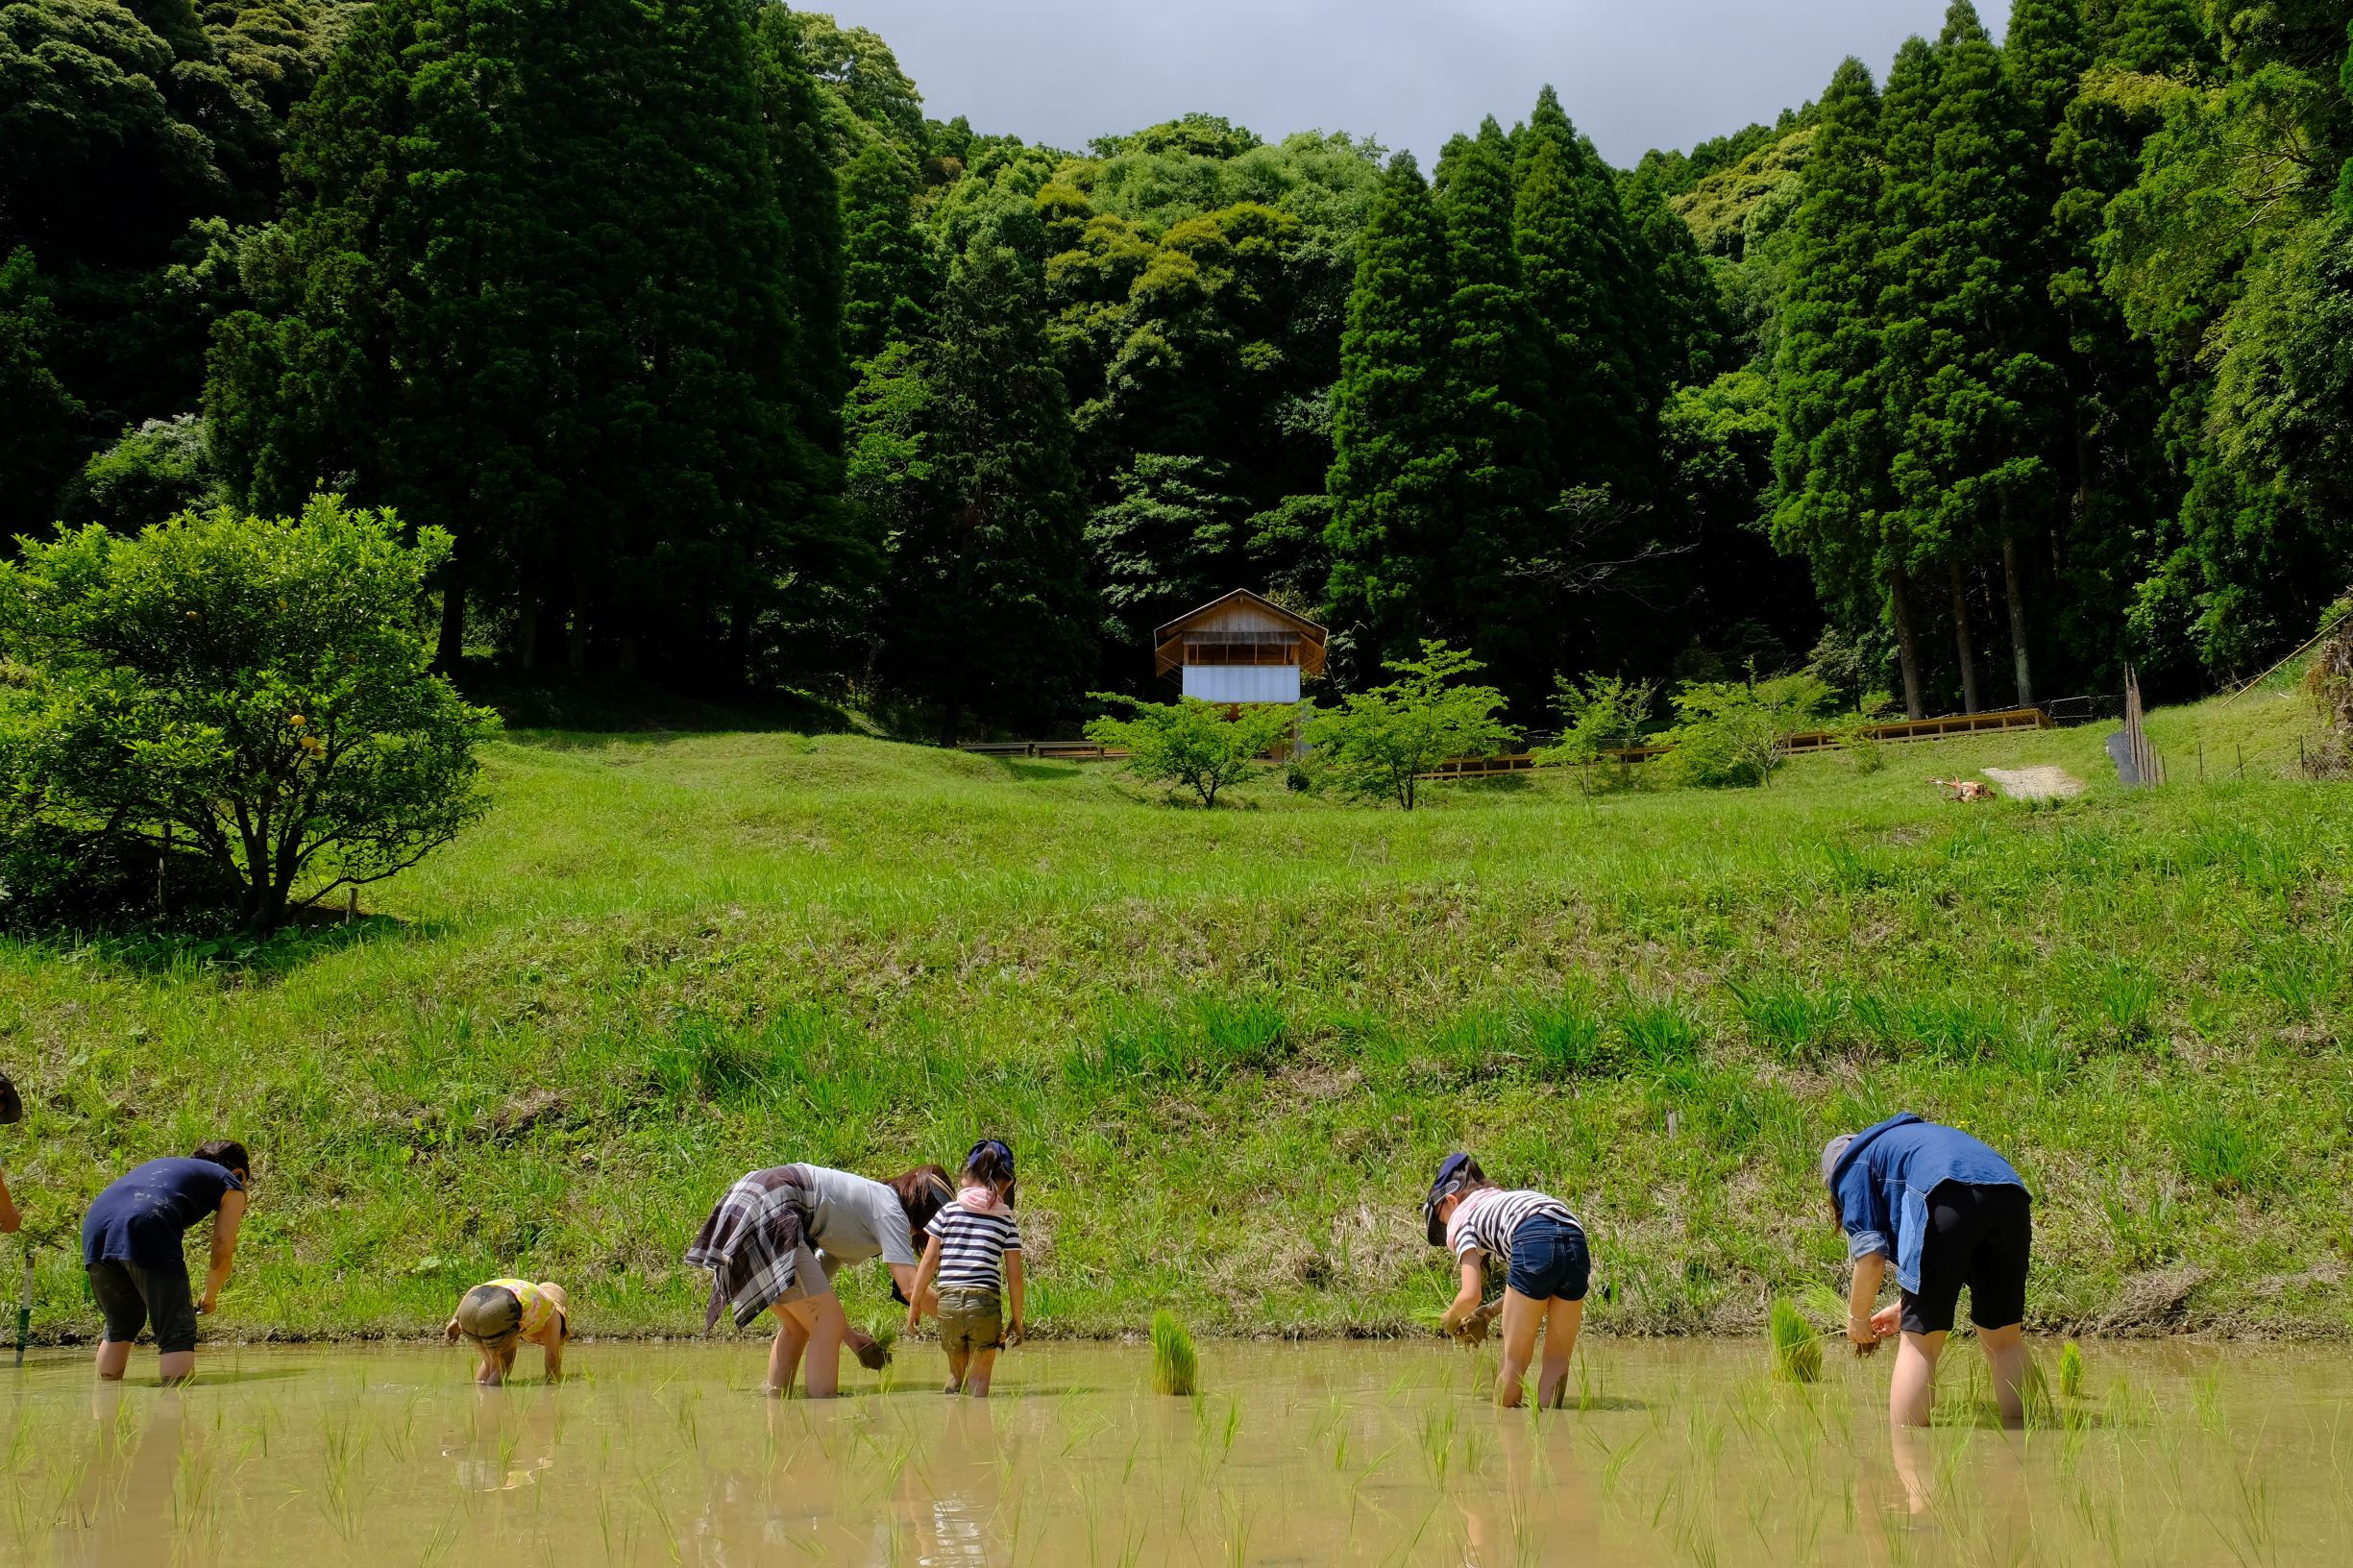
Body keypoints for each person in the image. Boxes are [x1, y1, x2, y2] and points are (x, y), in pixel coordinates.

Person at [1823, 1112, 2034, 1430]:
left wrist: (1858, 1321)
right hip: (2009, 1196)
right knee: (2004, 1338)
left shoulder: (1854, 1166)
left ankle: (1909, 1459)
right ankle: (2026, 1443)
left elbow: (1871, 1259)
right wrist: (1904, 1307)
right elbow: (1963, 1240)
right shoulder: (1906, 1141)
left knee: (1920, 1343)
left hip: (1942, 1193)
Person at [685, 1162, 950, 1398]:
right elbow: (910, 1288)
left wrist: (851, 1338)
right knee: (828, 1323)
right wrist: (960, 1317)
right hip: (771, 1202)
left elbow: (812, 1290)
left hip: (756, 1196)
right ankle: (822, 1408)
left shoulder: (863, 1212)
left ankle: (776, 1404)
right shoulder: (890, 1210)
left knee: (800, 1324)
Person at [1422, 1154, 1589, 1409]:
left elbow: (1470, 1294)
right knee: (1558, 1359)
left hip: (1532, 1237)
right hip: (1575, 1240)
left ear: (1451, 1200)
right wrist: (1488, 1312)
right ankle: (1551, 1437)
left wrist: (1449, 1320)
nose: (1445, 1227)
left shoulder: (1463, 1218)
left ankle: (1506, 1428)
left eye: (1441, 1219)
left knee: (1515, 1360)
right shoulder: (1505, 1201)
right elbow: (1535, 1284)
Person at [81, 1140, 250, 1384]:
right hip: (147, 1222)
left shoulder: (167, 1166)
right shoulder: (230, 1180)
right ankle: (174, 1405)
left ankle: (105, 1403)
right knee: (177, 1330)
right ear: (239, 1173)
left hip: (96, 1228)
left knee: (121, 1325)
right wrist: (209, 1297)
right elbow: (221, 1252)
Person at [906, 1139, 1023, 1396]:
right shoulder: (1006, 1221)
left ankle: (953, 1426)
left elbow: (929, 1259)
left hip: (947, 1304)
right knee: (979, 1383)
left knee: (955, 1373)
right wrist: (1017, 1319)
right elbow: (1015, 1277)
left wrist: (915, 1302)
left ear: (965, 1179)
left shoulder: (948, 1212)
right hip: (983, 1305)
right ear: (1007, 1184)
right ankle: (977, 1431)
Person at [446, 1278, 570, 1384]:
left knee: (490, 1362)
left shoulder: (527, 1293)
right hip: (501, 1306)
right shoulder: (553, 1313)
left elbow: (475, 1289)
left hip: (469, 1307)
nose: (539, 1341)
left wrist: (455, 1319)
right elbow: (552, 1358)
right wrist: (553, 1387)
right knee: (502, 1366)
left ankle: (481, 1399)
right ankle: (492, 1398)